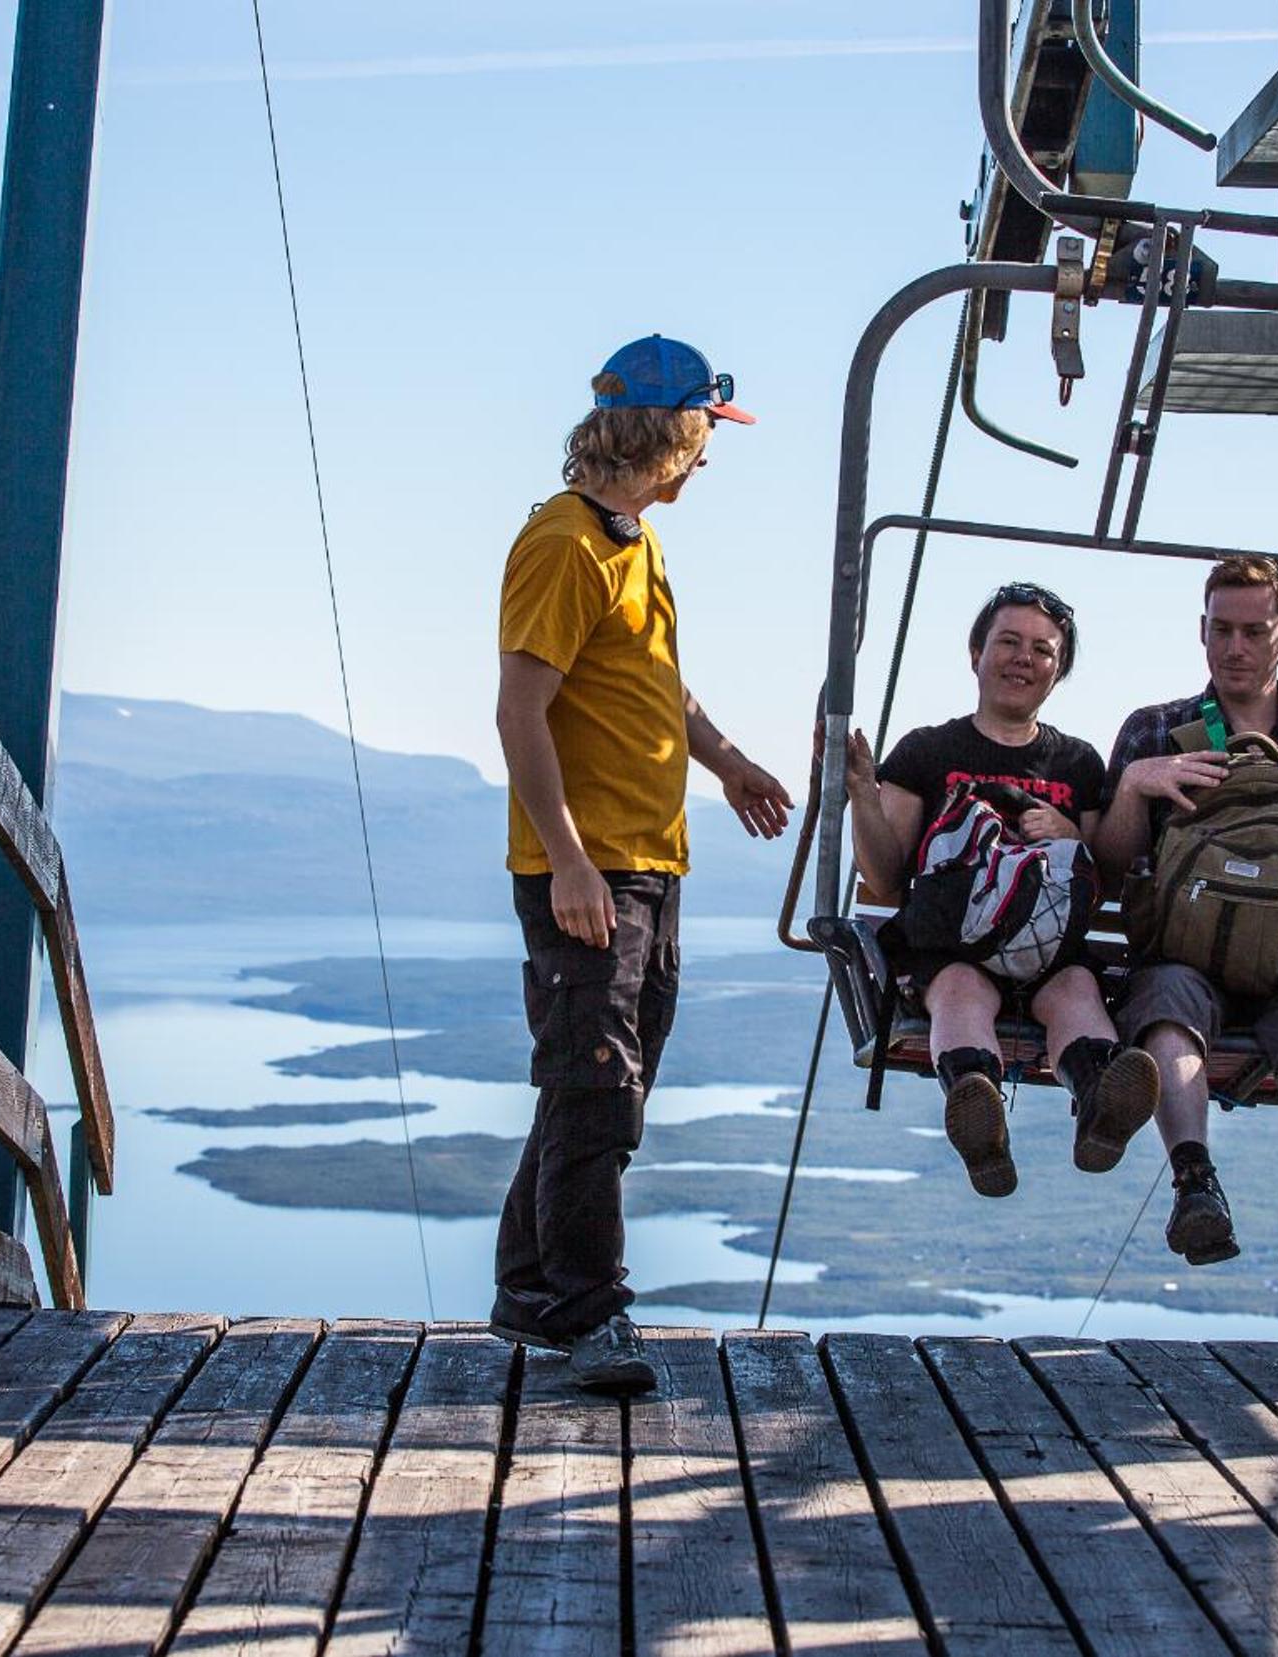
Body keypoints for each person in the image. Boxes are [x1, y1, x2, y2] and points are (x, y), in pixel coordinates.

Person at [489, 335, 793, 1394]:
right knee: (597, 1089)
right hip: (590, 871)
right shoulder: (563, 545)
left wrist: (729, 761)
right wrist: (568, 863)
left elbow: (658, 686)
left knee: (600, 1081)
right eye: (706, 431)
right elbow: (519, 711)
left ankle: (531, 1287)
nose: (708, 454)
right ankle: (589, 1314)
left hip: (650, 863)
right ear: (669, 431)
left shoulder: (636, 542)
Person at [1091, 555, 1278, 1271]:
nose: (1235, 648)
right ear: (1202, 630)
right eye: (1221, 630)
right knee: (1167, 1005)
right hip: (1182, 959)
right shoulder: (1157, 731)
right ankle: (1194, 1182)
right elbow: (1106, 868)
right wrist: (1134, 787)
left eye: (1254, 632)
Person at [844, 582, 1161, 1198]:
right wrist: (862, 793)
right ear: (977, 654)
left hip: (1050, 948)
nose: (1024, 659)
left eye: (1042, 650)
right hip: (953, 947)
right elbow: (883, 876)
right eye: (1009, 643)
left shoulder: (1077, 764)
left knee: (1076, 993)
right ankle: (977, 1105)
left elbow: (1104, 874)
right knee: (960, 991)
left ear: (1058, 671)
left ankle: (1101, 1101)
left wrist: (1071, 833)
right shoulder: (927, 751)